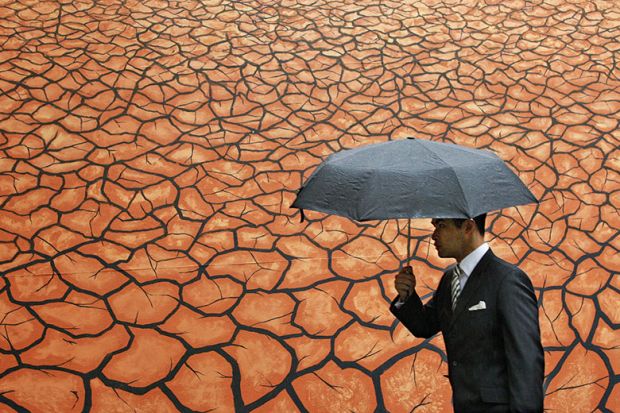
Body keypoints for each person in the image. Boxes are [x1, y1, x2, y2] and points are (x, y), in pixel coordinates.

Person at [391, 214, 544, 412]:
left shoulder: (507, 280)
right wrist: (407, 296)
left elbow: (527, 360)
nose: (434, 235)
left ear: (468, 227)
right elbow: (425, 326)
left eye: (441, 226)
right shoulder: (449, 280)